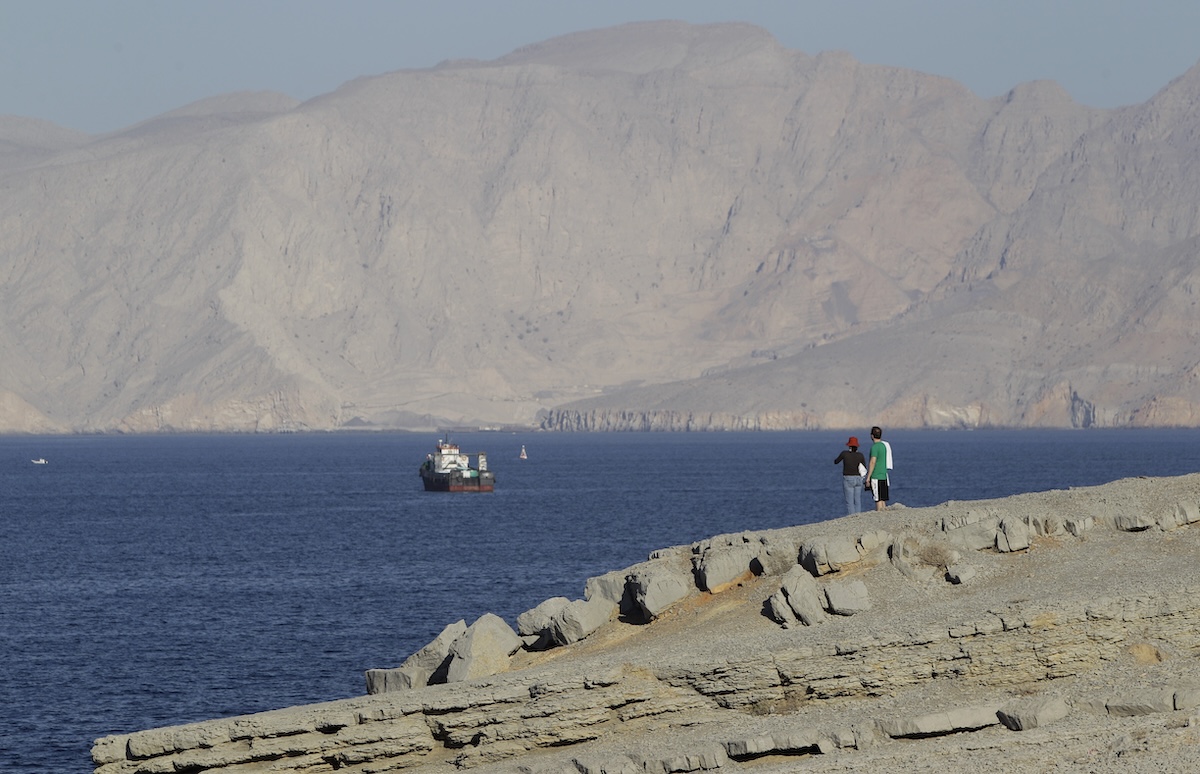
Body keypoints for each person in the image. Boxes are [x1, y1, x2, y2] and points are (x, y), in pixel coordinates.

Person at [833, 436, 866, 514]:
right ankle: (858, 516)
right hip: (858, 479)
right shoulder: (860, 455)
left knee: (850, 501)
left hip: (848, 478)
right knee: (857, 500)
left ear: (849, 445)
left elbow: (836, 461)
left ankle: (852, 518)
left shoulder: (844, 454)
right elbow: (864, 466)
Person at [866, 426, 891, 510]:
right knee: (883, 499)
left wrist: (868, 477)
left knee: (877, 499)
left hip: (876, 476)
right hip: (883, 475)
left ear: (872, 436)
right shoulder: (884, 446)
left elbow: (873, 462)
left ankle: (879, 517)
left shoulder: (875, 447)